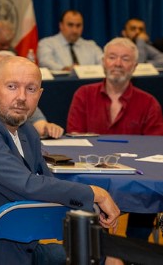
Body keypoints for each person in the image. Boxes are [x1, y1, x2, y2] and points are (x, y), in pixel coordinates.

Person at [0, 56, 120, 265]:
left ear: (39, 95)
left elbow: (47, 184)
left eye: (30, 89)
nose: (21, 97)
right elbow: (25, 185)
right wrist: (95, 194)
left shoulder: (27, 129)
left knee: (109, 258)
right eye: (12, 86)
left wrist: (90, 210)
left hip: (20, 244)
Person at [67, 37, 163, 247]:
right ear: (103, 62)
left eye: (125, 58)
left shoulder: (149, 103)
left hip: (137, 182)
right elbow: (74, 141)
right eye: (112, 57)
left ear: (135, 66)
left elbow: (156, 150)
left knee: (148, 198)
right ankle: (95, 252)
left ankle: (134, 254)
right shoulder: (83, 95)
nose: (118, 63)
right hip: (92, 178)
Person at [0, 51, 64, 139]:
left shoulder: (21, 104)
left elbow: (40, 125)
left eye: (30, 89)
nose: (21, 96)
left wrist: (49, 128)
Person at [38, 9, 103, 71]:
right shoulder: (47, 43)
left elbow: (104, 62)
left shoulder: (91, 46)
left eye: (78, 25)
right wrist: (64, 69)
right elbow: (45, 62)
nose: (75, 30)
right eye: (70, 25)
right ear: (61, 25)